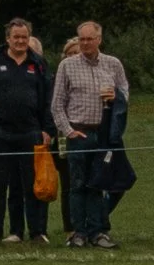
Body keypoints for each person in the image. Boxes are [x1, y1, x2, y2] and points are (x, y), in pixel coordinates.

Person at [51, 20, 129, 248]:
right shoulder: (67, 66)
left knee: (99, 183)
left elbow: (124, 90)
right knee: (77, 184)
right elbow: (57, 104)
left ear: (99, 40)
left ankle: (99, 231)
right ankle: (78, 232)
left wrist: (115, 97)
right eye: (81, 39)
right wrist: (68, 131)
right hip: (79, 133)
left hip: (103, 134)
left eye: (89, 39)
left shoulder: (113, 64)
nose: (85, 43)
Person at [0, 20, 50, 245]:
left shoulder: (38, 63)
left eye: (24, 37)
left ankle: (36, 231)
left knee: (31, 185)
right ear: (7, 38)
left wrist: (46, 129)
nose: (20, 41)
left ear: (29, 38)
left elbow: (46, 99)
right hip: (1, 133)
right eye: (16, 37)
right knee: (1, 185)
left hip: (30, 133)